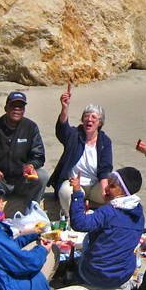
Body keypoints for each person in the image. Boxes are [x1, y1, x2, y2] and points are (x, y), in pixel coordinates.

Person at [68, 166, 145, 290]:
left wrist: (77, 192)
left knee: (88, 237)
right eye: (108, 184)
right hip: (122, 276)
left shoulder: (108, 212)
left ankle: (88, 278)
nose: (107, 189)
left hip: (94, 276)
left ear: (124, 192)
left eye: (112, 186)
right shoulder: (139, 213)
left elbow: (79, 224)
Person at [0, 90, 47, 215]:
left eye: (20, 106)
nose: (17, 109)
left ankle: (32, 213)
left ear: (24, 110)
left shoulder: (30, 127)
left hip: (22, 180)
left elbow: (39, 155)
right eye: (13, 106)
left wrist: (31, 165)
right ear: (6, 107)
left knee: (42, 176)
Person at [48, 82, 113, 217]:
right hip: (74, 183)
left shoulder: (104, 141)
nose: (89, 119)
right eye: (86, 116)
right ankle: (72, 219)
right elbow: (62, 130)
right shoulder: (74, 135)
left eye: (93, 117)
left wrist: (105, 188)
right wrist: (65, 108)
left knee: (114, 193)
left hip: (95, 184)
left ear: (100, 122)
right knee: (66, 192)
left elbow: (105, 168)